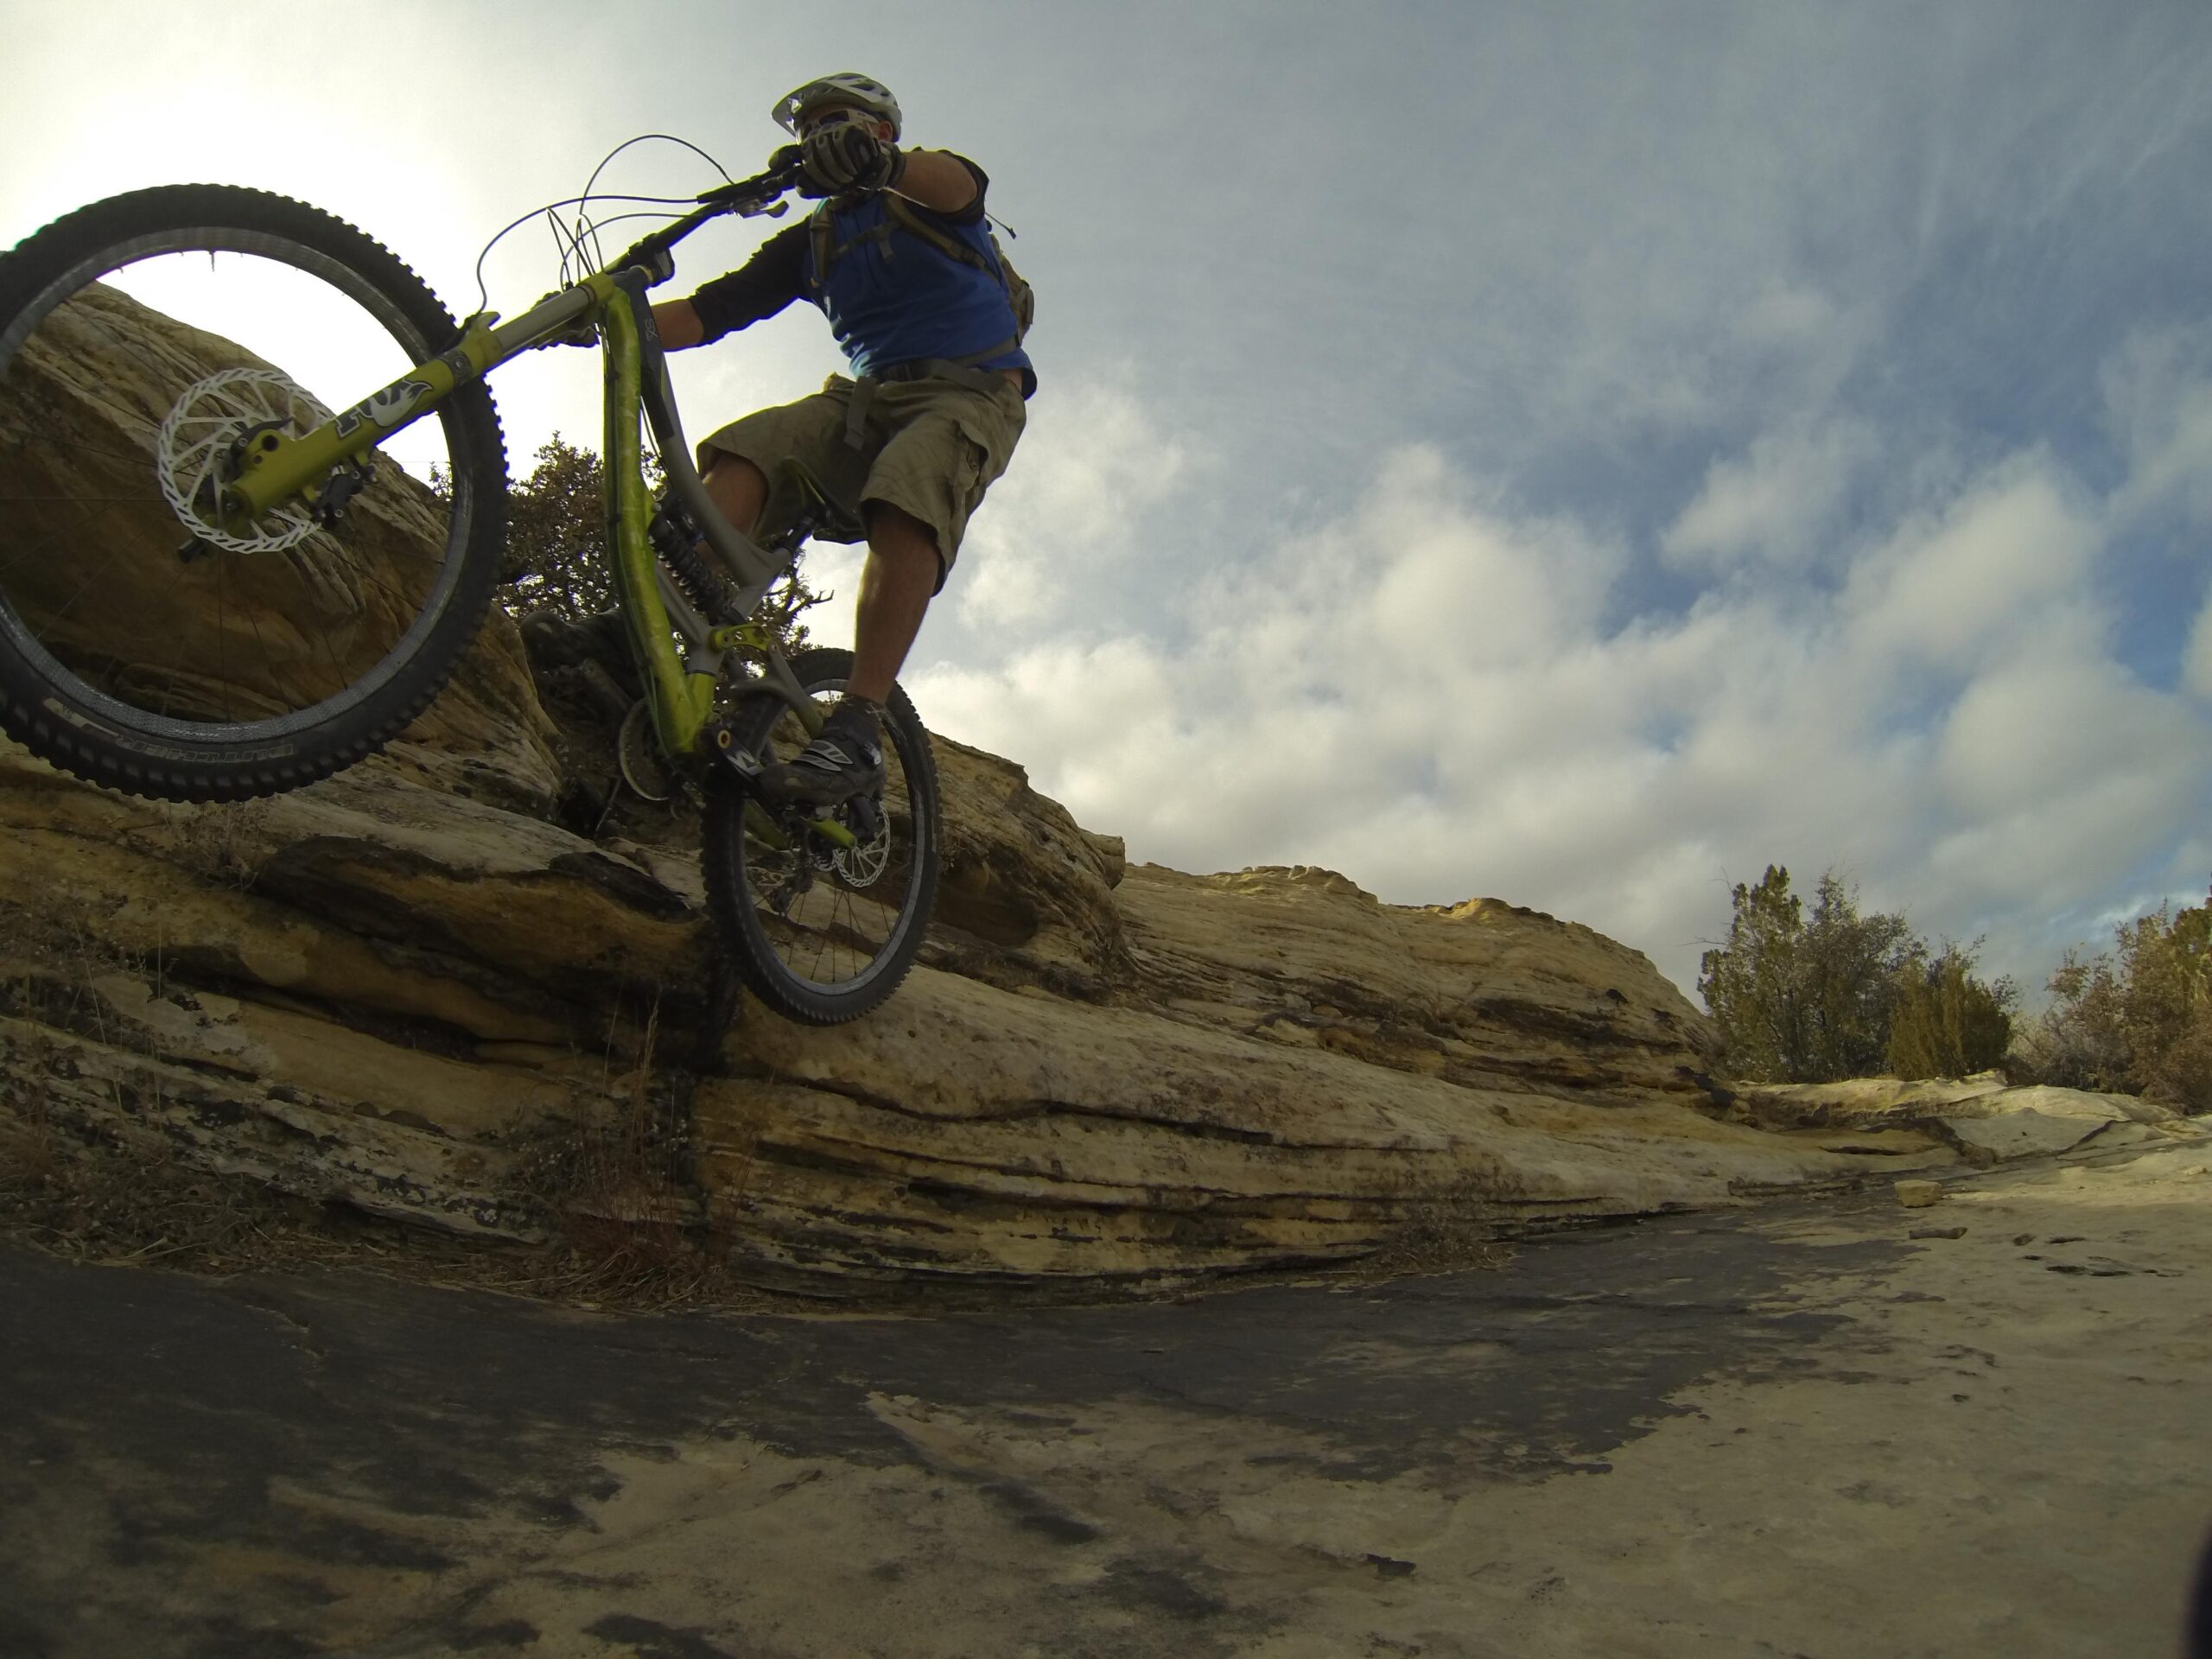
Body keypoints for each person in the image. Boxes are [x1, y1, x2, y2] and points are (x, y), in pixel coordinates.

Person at [650, 73, 1033, 805]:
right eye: (809, 130)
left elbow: (962, 185)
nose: (819, 138)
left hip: (971, 391)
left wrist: (882, 167)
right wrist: (606, 321)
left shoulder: (925, 192)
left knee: (908, 485)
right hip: (867, 398)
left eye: (837, 122)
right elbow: (709, 312)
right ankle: (648, 634)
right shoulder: (814, 241)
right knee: (749, 449)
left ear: (881, 130)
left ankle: (858, 722)